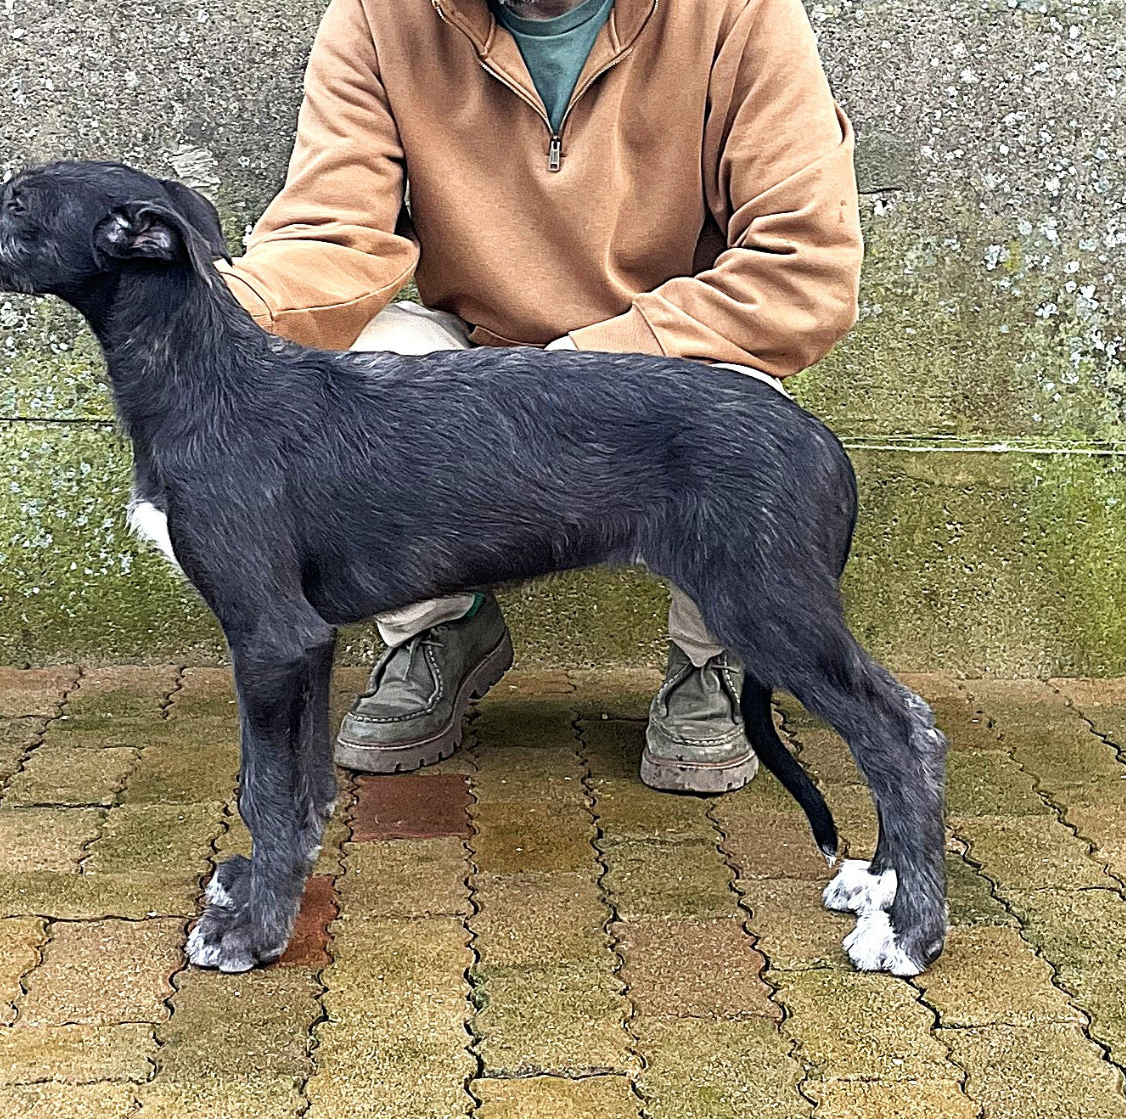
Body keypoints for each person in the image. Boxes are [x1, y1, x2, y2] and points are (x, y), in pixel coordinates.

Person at [217, 0, 863, 793]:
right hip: (484, 363)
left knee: (735, 399)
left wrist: (581, 368)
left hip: (660, 364)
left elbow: (803, 268)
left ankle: (712, 656)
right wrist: (208, 308)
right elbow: (329, 234)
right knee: (353, 362)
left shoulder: (743, 13)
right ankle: (437, 628)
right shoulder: (378, 16)